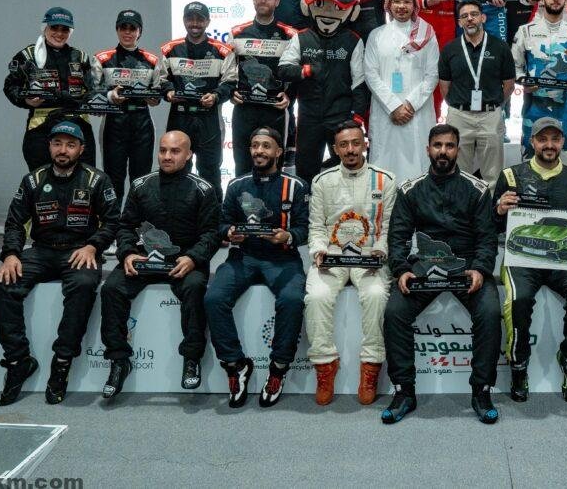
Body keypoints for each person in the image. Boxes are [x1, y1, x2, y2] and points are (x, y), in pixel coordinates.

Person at [0, 121, 120, 406]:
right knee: (0, 285)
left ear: (81, 149)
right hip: (41, 251)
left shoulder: (97, 180)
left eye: (70, 145)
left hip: (80, 251)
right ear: (49, 146)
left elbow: (113, 221)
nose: (63, 150)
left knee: (83, 286)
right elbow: (15, 222)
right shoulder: (32, 180)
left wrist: (93, 246)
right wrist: (11, 254)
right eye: (57, 144)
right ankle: (18, 360)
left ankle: (62, 363)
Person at [381, 125, 501, 424]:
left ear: (458, 149)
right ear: (428, 149)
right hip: (424, 266)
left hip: (466, 266)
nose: (443, 151)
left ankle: (482, 391)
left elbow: (487, 239)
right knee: (395, 312)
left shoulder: (477, 189)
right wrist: (401, 270)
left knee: (489, 312)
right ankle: (404, 391)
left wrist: (480, 269)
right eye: (437, 145)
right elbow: (397, 237)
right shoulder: (410, 190)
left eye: (449, 145)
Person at [99, 131, 220, 398]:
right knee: (111, 289)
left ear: (189, 155)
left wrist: (193, 258)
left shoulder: (204, 189)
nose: (167, 156)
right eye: (163, 150)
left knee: (195, 288)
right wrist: (128, 254)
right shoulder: (141, 185)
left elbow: (211, 234)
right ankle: (119, 361)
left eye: (175, 151)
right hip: (144, 259)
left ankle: (191, 359)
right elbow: (125, 226)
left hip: (184, 261)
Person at [205, 128, 309, 408]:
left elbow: (305, 228)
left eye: (266, 146)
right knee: (213, 298)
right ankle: (235, 364)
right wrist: (229, 233)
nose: (259, 151)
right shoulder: (236, 185)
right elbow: (222, 223)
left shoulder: (296, 186)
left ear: (278, 152)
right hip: (243, 256)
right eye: (254, 145)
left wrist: (288, 236)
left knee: (292, 299)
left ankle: (278, 368)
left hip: (282, 257)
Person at [492, 117, 567, 403]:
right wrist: (499, 210)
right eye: (543, 139)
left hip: (564, 260)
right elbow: (492, 226)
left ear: (563, 142)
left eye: (555, 139)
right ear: (532, 141)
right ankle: (518, 366)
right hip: (522, 260)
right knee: (518, 299)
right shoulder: (511, 176)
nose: (549, 145)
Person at [305, 121, 396, 406]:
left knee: (377, 295)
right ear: (335, 149)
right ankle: (324, 366)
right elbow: (316, 227)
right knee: (316, 296)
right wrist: (319, 252)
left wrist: (380, 252)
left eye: (356, 143)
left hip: (369, 255)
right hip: (332, 255)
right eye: (343, 145)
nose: (351, 149)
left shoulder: (385, 180)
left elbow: (388, 228)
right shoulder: (322, 181)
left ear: (365, 144)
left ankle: (371, 367)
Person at [277, 0, 370, 184]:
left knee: (347, 170)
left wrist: (357, 117)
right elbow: (283, 70)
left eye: (337, 7)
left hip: (341, 117)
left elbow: (359, 83)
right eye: (321, 4)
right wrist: (306, 70)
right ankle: (307, 205)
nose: (328, 12)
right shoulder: (301, 37)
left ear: (352, 11)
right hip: (309, 116)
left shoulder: (353, 41)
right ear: (307, 6)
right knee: (305, 169)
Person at [156, 1, 237, 200]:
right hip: (180, 118)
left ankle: (213, 216)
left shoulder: (223, 50)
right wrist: (168, 92)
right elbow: (161, 81)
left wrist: (216, 96)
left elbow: (230, 82)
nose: (194, 23)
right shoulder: (170, 49)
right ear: (184, 20)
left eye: (199, 19)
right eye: (190, 18)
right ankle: (174, 214)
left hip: (209, 119)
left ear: (207, 21)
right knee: (175, 170)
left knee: (210, 173)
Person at [4, 7, 97, 170]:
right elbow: (10, 86)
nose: (59, 33)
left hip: (78, 124)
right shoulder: (28, 56)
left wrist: (99, 101)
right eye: (54, 28)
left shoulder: (81, 57)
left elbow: (94, 89)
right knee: (42, 179)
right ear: (45, 27)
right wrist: (26, 101)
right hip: (42, 127)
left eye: (65, 29)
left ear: (70, 32)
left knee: (84, 178)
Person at [363, 0, 440, 181]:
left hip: (417, 112)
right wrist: (394, 106)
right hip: (386, 112)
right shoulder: (376, 35)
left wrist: (410, 104)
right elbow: (370, 74)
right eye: (396, 1)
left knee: (419, 163)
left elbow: (433, 74)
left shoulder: (427, 34)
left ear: (414, 5)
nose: (401, 6)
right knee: (384, 166)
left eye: (407, 2)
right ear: (389, 5)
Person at [511, 0, 567, 168]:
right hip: (534, 112)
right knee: (531, 173)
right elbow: (514, 68)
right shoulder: (525, 31)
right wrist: (524, 82)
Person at [438, 0, 516, 183]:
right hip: (459, 116)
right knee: (457, 172)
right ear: (459, 22)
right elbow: (444, 87)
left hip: (490, 116)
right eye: (464, 16)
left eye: (474, 14)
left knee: (492, 174)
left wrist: (494, 104)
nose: (469, 19)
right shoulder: (450, 49)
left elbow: (509, 84)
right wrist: (458, 106)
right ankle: (461, 202)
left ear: (483, 17)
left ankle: (490, 202)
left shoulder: (500, 47)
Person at [229, 0, 300, 176]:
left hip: (274, 109)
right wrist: (231, 92)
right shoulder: (237, 33)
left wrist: (289, 96)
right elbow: (228, 71)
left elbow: (295, 72)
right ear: (253, 0)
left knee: (275, 166)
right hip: (245, 108)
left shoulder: (290, 34)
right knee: (242, 165)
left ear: (277, 1)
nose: (263, 0)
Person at [91, 9, 160, 199]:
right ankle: (113, 218)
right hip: (114, 122)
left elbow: (158, 94)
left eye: (132, 28)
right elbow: (92, 91)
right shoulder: (102, 58)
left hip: (142, 122)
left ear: (140, 31)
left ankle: (138, 218)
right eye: (123, 27)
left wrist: (154, 98)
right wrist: (110, 95)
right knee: (113, 178)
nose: (127, 32)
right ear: (117, 29)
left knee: (141, 179)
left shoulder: (152, 60)